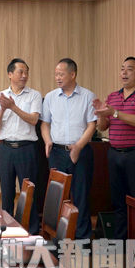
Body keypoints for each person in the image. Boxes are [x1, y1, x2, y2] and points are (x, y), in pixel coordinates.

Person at [93, 56, 135, 240]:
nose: (124, 73)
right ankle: (120, 244)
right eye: (122, 69)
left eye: (129, 69)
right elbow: (103, 127)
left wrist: (115, 112)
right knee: (118, 202)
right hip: (114, 154)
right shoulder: (113, 96)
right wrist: (101, 114)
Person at [40, 58, 96, 240]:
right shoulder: (50, 97)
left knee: (80, 196)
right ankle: (57, 238)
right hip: (56, 152)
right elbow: (45, 123)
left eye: (61, 74)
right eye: (56, 74)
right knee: (56, 197)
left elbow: (92, 125)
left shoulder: (88, 96)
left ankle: (82, 240)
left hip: (81, 152)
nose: (57, 77)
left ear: (72, 74)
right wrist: (47, 140)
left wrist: (78, 146)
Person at [0, 58, 41, 234]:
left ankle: (31, 232)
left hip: (27, 149)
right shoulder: (0, 96)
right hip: (5, 149)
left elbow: (34, 120)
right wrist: (4, 108)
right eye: (20, 72)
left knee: (29, 192)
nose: (24, 75)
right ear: (10, 74)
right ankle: (7, 230)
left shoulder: (34, 95)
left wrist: (13, 106)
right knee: (7, 192)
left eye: (26, 72)